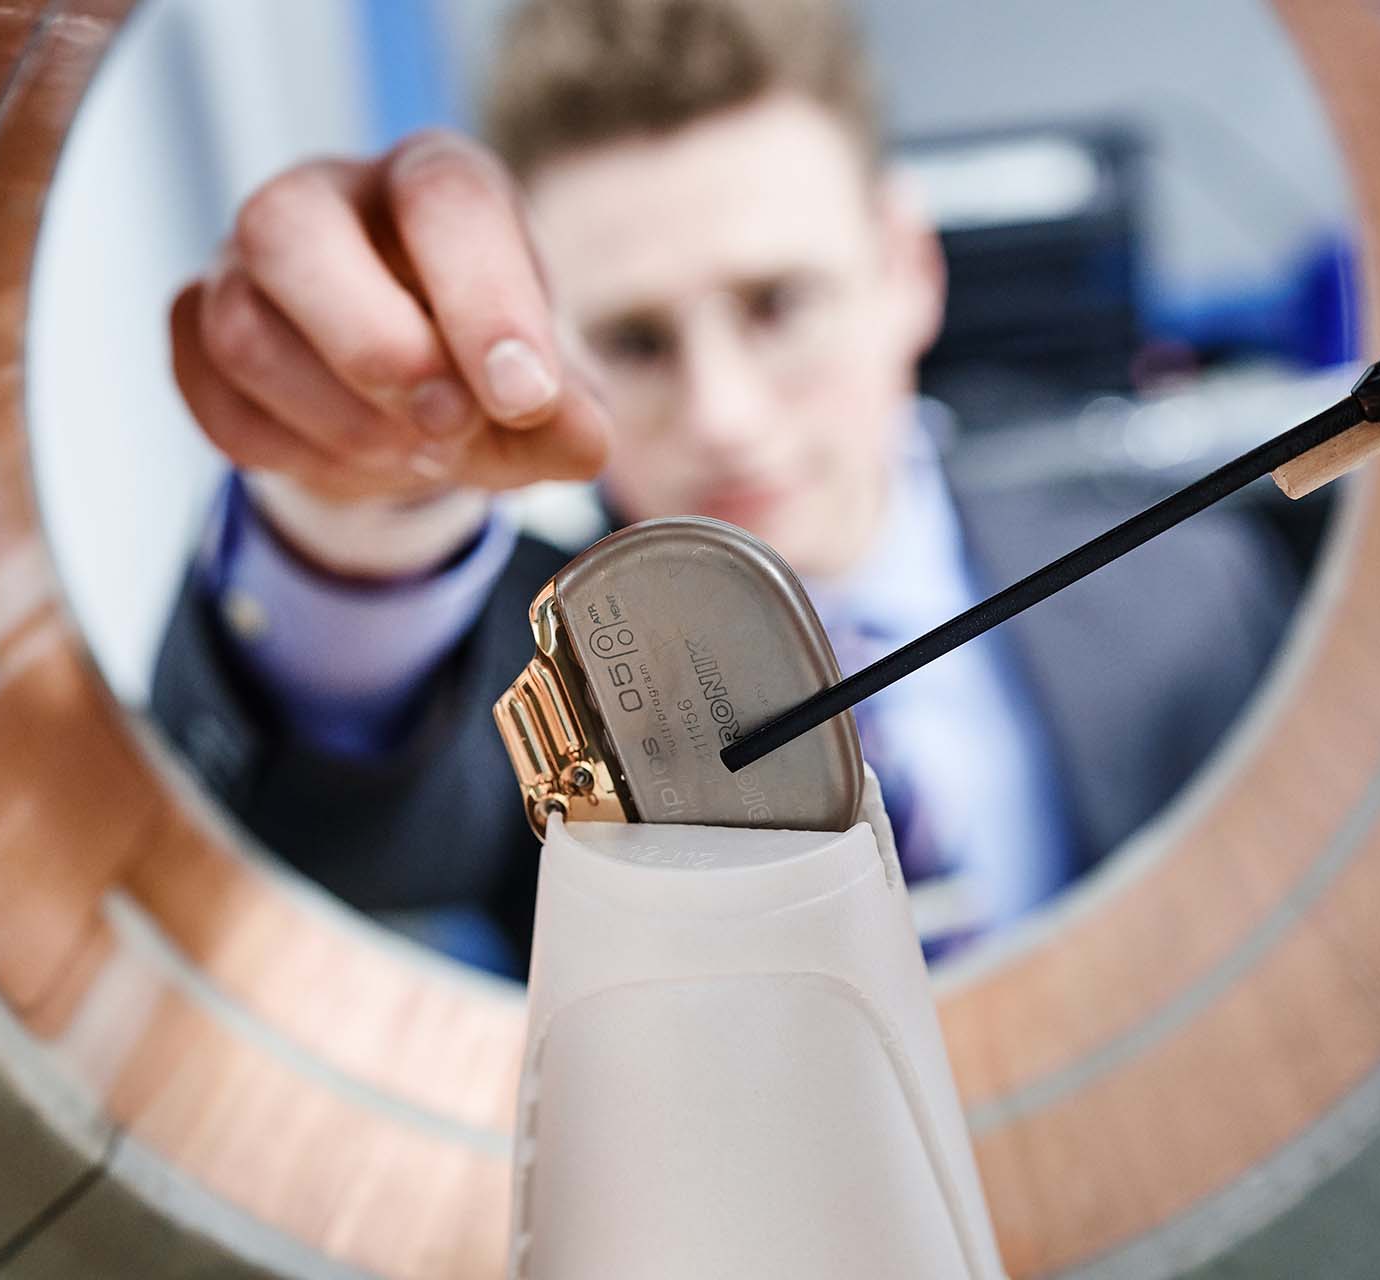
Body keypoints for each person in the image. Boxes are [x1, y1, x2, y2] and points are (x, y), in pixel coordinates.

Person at [152, 0, 1297, 975]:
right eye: (636, 339)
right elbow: (331, 828)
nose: (724, 417)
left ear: (909, 268)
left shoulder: (1188, 583)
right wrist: (359, 500)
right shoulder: (520, 680)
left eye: (777, 304)